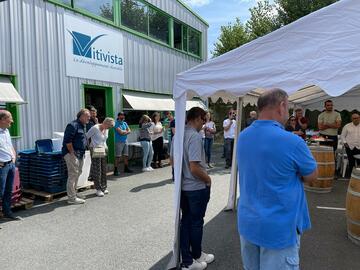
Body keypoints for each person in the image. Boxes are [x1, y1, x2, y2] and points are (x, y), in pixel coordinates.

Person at [237, 89, 317, 270]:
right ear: (281, 106)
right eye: (287, 108)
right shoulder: (293, 142)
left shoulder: (243, 136)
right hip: (279, 229)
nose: (288, 114)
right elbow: (312, 176)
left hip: (248, 222)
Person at [175, 107, 214, 270]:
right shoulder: (195, 137)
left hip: (183, 187)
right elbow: (195, 167)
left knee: (187, 222)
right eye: (203, 120)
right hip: (196, 187)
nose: (204, 124)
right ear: (197, 118)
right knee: (196, 223)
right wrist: (208, 179)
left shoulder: (178, 135)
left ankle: (194, 256)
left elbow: (173, 162)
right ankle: (190, 260)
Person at [62, 108, 90, 204]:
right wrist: (72, 154)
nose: (89, 118)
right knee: (73, 174)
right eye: (87, 116)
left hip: (80, 153)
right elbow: (68, 141)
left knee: (78, 173)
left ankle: (74, 193)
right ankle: (71, 198)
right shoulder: (73, 125)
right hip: (72, 154)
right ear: (81, 116)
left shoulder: (82, 126)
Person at [86, 117, 114, 197]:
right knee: (97, 169)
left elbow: (104, 140)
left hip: (103, 149)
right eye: (109, 126)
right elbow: (86, 137)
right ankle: (98, 189)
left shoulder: (107, 129)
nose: (109, 128)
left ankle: (104, 187)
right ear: (105, 123)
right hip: (95, 149)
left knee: (103, 169)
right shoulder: (95, 128)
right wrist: (90, 147)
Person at [0, 110, 20, 220]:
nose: (11, 121)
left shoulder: (6, 131)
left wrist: (14, 156)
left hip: (10, 165)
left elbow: (9, 146)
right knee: (0, 191)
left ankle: (7, 212)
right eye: (9, 119)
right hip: (1, 167)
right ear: (2, 120)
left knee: (8, 190)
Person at [341, 113, 360, 178]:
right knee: (351, 161)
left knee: (359, 161)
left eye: (357, 118)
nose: (356, 119)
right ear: (351, 119)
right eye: (354, 118)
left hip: (359, 147)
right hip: (349, 146)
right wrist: (345, 143)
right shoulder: (347, 126)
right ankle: (351, 175)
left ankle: (358, 175)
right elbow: (342, 136)